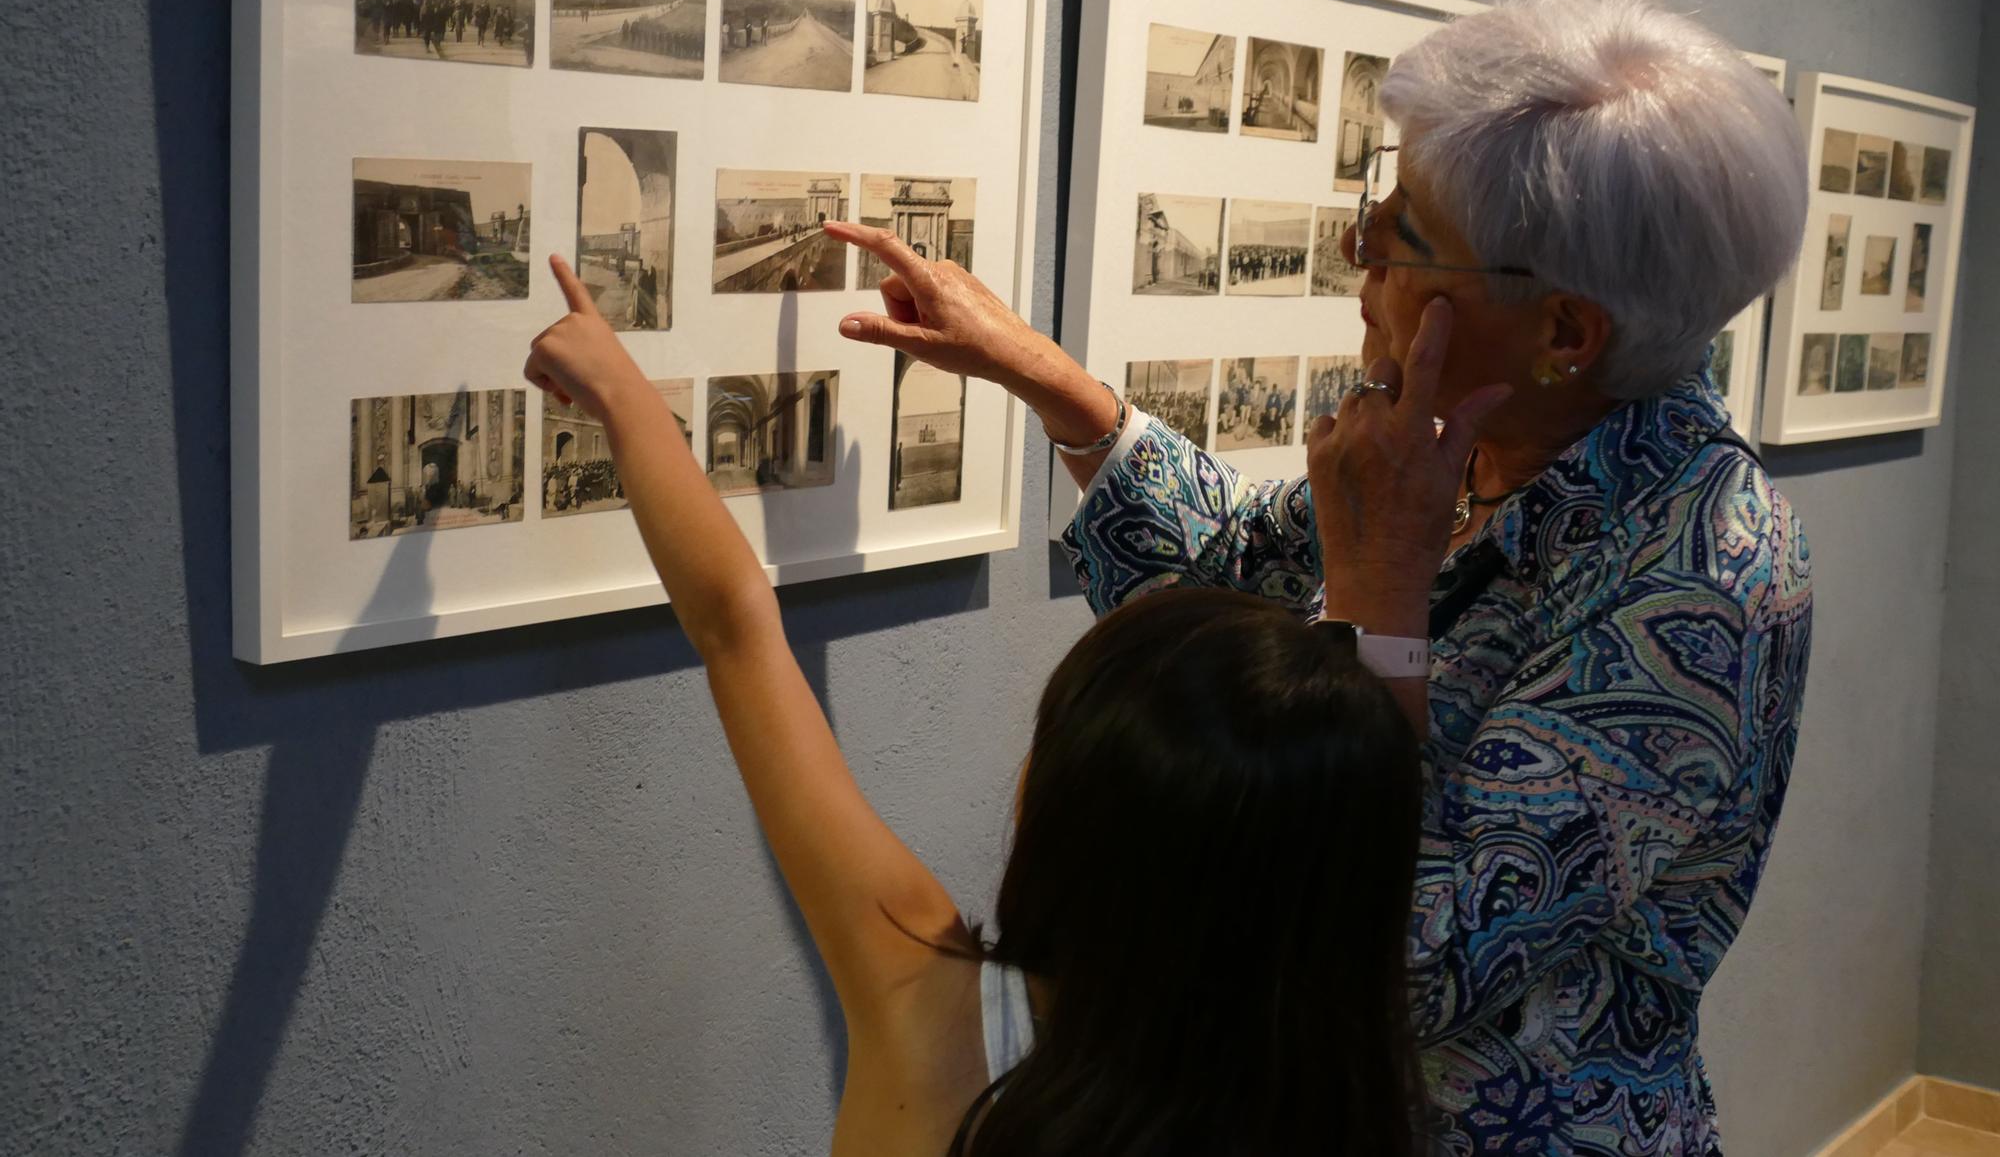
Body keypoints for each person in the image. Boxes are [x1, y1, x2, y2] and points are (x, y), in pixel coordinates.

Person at [825, 0, 1813, 1155]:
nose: (1358, 254)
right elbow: (1228, 581)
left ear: (1563, 333)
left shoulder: (1705, 571)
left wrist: (1381, 599)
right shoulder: (1459, 444)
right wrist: (1050, 381)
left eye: (1403, 237)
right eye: (1377, 206)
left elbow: (1404, 949)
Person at [524, 253, 1434, 1157]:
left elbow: (735, 625)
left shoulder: (940, 1016)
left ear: (1065, 817)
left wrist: (617, 386)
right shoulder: (1350, 1108)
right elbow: (1353, 812)